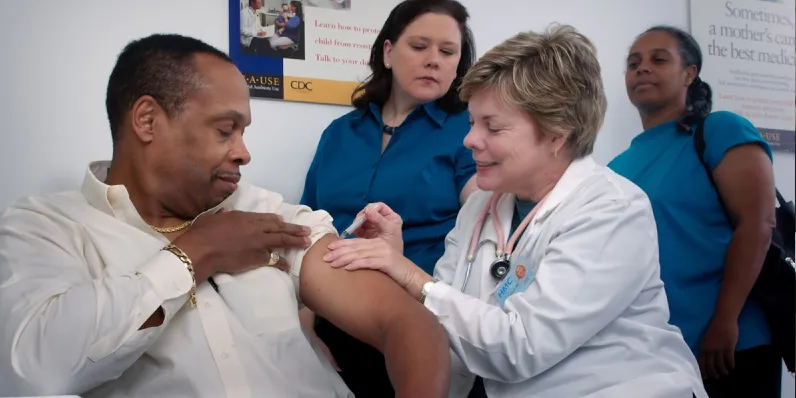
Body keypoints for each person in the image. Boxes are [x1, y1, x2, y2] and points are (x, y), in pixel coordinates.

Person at [0, 33, 452, 398]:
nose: (244, 152)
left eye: (243, 131)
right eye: (224, 130)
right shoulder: (45, 230)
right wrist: (197, 253)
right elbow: (38, 372)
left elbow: (406, 323)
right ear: (147, 121)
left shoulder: (263, 213)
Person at [321, 24, 709, 398]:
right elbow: (446, 329)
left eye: (492, 126)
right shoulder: (480, 207)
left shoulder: (612, 209)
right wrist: (394, 266)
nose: (470, 139)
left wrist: (407, 274)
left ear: (558, 133)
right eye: (472, 122)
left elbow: (519, 347)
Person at [299, 0, 477, 395]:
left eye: (447, 52)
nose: (434, 60)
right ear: (388, 52)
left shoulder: (470, 131)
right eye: (420, 46)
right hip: (334, 315)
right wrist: (303, 317)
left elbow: (485, 207)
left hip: (422, 320)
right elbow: (307, 227)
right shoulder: (340, 132)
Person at [608, 26, 780, 398]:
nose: (642, 69)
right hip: (656, 353)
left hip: (729, 345)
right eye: (633, 63)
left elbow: (759, 223)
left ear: (690, 73)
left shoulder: (719, 129)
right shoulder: (617, 166)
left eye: (659, 59)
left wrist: (725, 320)